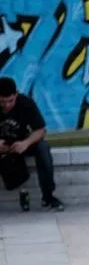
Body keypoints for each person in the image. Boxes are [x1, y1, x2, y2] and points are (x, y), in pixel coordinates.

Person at [0, 77, 64, 211]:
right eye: (2, 102)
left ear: (16, 95)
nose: (6, 106)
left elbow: (40, 130)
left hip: (22, 142)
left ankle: (48, 196)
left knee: (43, 148)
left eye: (10, 101)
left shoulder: (25, 103)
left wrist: (25, 143)